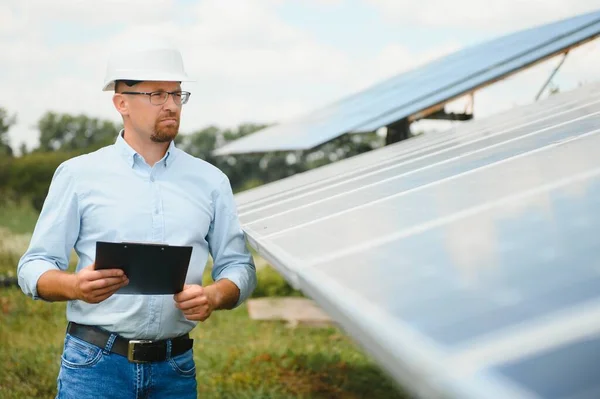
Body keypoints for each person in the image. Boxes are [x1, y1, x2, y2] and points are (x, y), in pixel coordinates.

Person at [17, 39, 257, 399]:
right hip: (94, 366)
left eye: (177, 95)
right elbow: (33, 266)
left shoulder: (211, 181)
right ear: (121, 102)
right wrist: (75, 287)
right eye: (157, 94)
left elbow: (240, 267)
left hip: (175, 369)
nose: (172, 105)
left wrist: (215, 295)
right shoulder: (78, 175)